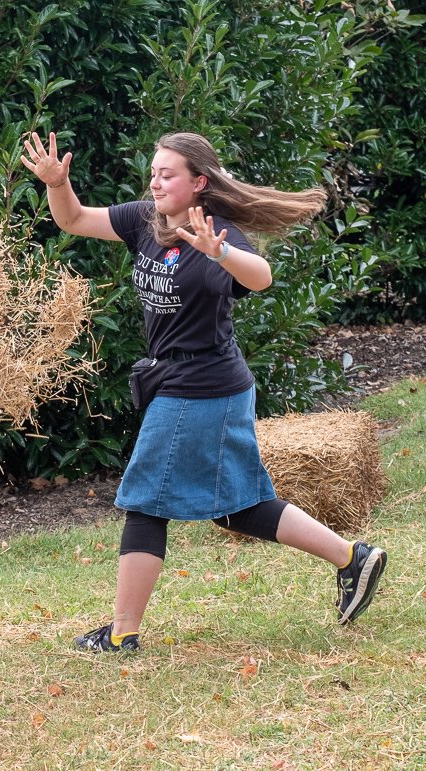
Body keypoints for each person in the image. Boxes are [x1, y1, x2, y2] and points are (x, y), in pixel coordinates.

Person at [21, 131, 387, 652]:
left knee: (146, 502)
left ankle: (121, 633)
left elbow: (260, 277)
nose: (156, 181)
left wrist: (221, 255)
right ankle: (355, 558)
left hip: (201, 388)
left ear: (199, 183)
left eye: (167, 174)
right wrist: (59, 184)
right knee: (239, 507)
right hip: (194, 385)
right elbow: (74, 219)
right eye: (154, 172)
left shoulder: (216, 232)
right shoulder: (142, 220)